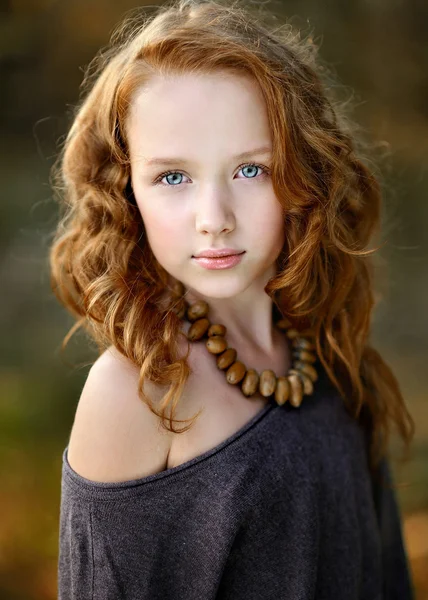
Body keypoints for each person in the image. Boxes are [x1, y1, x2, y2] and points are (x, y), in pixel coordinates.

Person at [49, 0, 416, 598]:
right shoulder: (138, 390)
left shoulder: (325, 350)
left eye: (251, 171)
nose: (213, 219)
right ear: (127, 191)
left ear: (306, 171)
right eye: (173, 177)